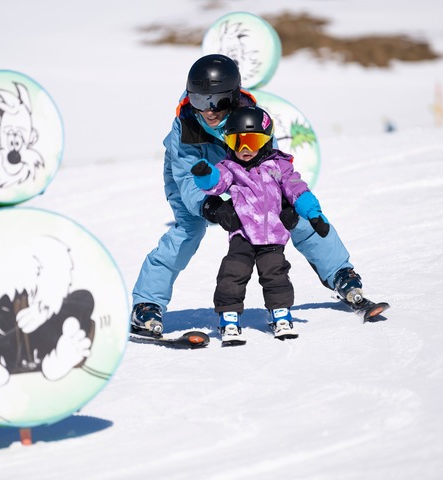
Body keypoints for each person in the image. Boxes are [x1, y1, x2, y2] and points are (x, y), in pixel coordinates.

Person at [130, 53, 372, 337]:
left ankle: (341, 274)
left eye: (217, 101)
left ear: (232, 97)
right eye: (199, 101)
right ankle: (147, 303)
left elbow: (274, 165)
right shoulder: (185, 128)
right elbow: (187, 179)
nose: (208, 111)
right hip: (195, 177)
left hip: (247, 173)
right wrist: (212, 208)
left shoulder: (254, 120)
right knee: (189, 230)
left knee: (293, 216)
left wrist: (283, 201)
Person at [191, 106, 327, 344]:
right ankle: (229, 317)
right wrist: (205, 175)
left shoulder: (279, 166)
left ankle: (280, 314)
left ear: (265, 139)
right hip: (243, 234)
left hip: (273, 235)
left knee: (276, 275)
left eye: (251, 141)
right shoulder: (229, 167)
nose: (244, 149)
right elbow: (216, 185)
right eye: (237, 141)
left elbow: (297, 189)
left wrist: (314, 214)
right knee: (232, 273)